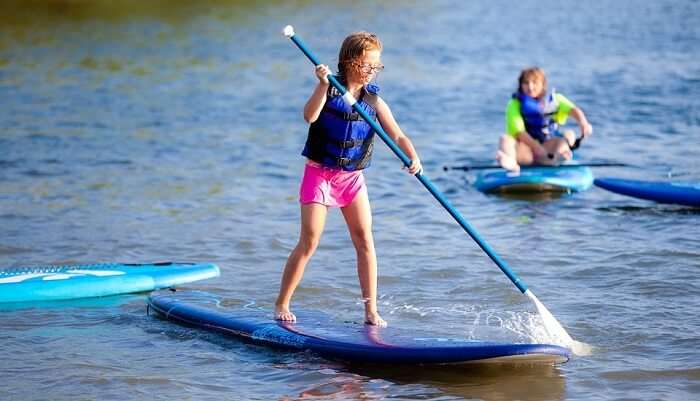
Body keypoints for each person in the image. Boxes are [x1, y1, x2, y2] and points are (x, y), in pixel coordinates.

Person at [274, 31, 422, 327]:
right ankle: (282, 303)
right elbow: (309, 116)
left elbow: (398, 134)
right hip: (319, 175)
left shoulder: (374, 100)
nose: (372, 71)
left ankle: (370, 310)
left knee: (365, 240)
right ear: (350, 62)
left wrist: (413, 157)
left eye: (377, 66)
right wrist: (321, 84)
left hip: (352, 179)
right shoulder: (329, 89)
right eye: (368, 65)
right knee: (310, 241)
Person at [496, 67, 593, 172]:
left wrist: (583, 123)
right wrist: (536, 147)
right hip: (526, 152)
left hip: (547, 150)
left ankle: (560, 158)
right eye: (526, 83)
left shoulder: (555, 99)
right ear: (521, 85)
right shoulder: (515, 104)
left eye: (535, 82)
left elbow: (573, 110)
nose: (530, 87)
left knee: (567, 137)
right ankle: (511, 163)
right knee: (505, 139)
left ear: (542, 84)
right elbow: (519, 132)